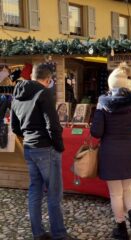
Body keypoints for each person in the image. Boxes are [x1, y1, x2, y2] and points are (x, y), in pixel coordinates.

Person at [11, 64, 77, 240]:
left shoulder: (16, 95)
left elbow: (14, 127)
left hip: (29, 148)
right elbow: (53, 125)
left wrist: (28, 137)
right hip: (46, 148)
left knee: (35, 190)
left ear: (33, 76)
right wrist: (59, 146)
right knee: (54, 193)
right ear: (48, 80)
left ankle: (38, 233)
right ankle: (59, 234)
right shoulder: (44, 93)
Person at [91, 63, 131, 240]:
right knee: (128, 188)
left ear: (111, 85)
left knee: (116, 193)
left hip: (110, 152)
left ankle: (121, 228)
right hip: (130, 150)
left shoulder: (103, 103)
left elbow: (96, 132)